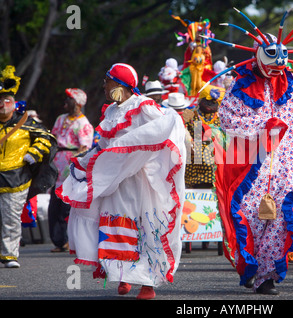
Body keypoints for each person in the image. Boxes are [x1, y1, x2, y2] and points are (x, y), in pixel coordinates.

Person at [56, 63, 187, 300]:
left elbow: (163, 128)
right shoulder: (110, 112)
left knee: (144, 226)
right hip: (113, 181)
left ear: (120, 84)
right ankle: (124, 276)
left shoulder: (143, 106)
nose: (103, 85)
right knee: (116, 225)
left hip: (139, 180)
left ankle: (147, 284)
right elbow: (104, 146)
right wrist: (86, 160)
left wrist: (133, 151)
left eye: (107, 81)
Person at [214, 34, 293, 295]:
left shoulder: (292, 84)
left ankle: (266, 277)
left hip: (285, 167)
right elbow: (226, 118)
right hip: (251, 167)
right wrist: (260, 129)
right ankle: (249, 265)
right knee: (248, 216)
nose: (278, 64)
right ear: (257, 54)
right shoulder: (240, 84)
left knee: (278, 220)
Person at [0, 65, 54, 268]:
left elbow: (46, 139)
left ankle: (9, 255)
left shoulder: (26, 123)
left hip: (17, 178)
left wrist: (34, 153)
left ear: (14, 104)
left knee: (11, 219)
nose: (3, 105)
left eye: (7, 101)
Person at [48, 88, 94, 252]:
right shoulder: (61, 119)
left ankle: (67, 240)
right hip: (57, 166)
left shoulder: (83, 123)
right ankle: (58, 240)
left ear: (77, 103)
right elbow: (52, 138)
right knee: (54, 205)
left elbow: (84, 148)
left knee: (66, 206)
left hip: (70, 167)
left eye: (69, 99)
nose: (65, 102)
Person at [184, 84, 224, 189]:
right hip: (194, 172)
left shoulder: (223, 118)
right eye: (207, 100)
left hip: (216, 171)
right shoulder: (190, 115)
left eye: (214, 101)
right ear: (200, 100)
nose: (210, 103)